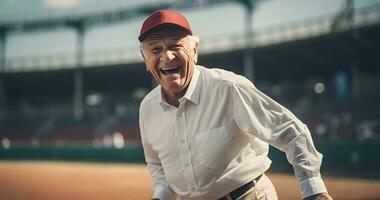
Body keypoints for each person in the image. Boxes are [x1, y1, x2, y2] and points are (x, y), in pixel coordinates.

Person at [138, 9, 333, 200]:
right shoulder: (147, 108)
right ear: (145, 59)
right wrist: (162, 196)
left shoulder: (228, 88)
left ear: (194, 50)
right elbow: (157, 163)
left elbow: (291, 131)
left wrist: (313, 190)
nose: (167, 56)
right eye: (156, 49)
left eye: (175, 46)